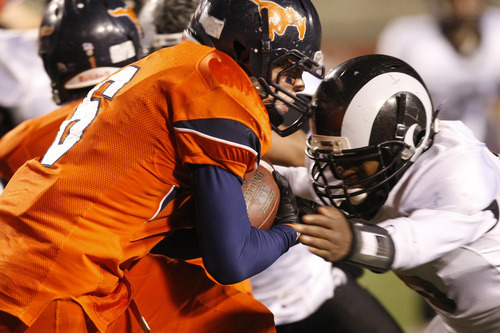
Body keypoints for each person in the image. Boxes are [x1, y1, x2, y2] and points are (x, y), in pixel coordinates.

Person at [0, 0, 325, 332]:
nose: (298, 84)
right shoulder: (219, 89)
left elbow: (156, 230)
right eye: (288, 67)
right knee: (235, 321)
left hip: (25, 253)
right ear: (243, 50)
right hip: (55, 280)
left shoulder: (165, 65)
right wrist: (293, 230)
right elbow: (232, 260)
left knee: (232, 318)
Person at [293, 53, 500, 333]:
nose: (342, 174)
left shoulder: (462, 176)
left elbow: (412, 240)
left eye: (352, 162)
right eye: (335, 162)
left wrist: (354, 241)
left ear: (405, 144)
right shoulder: (373, 163)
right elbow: (297, 181)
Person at [376, 0, 500, 152]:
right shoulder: (409, 38)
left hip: (483, 147)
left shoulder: (495, 29)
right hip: (426, 148)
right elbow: (388, 102)